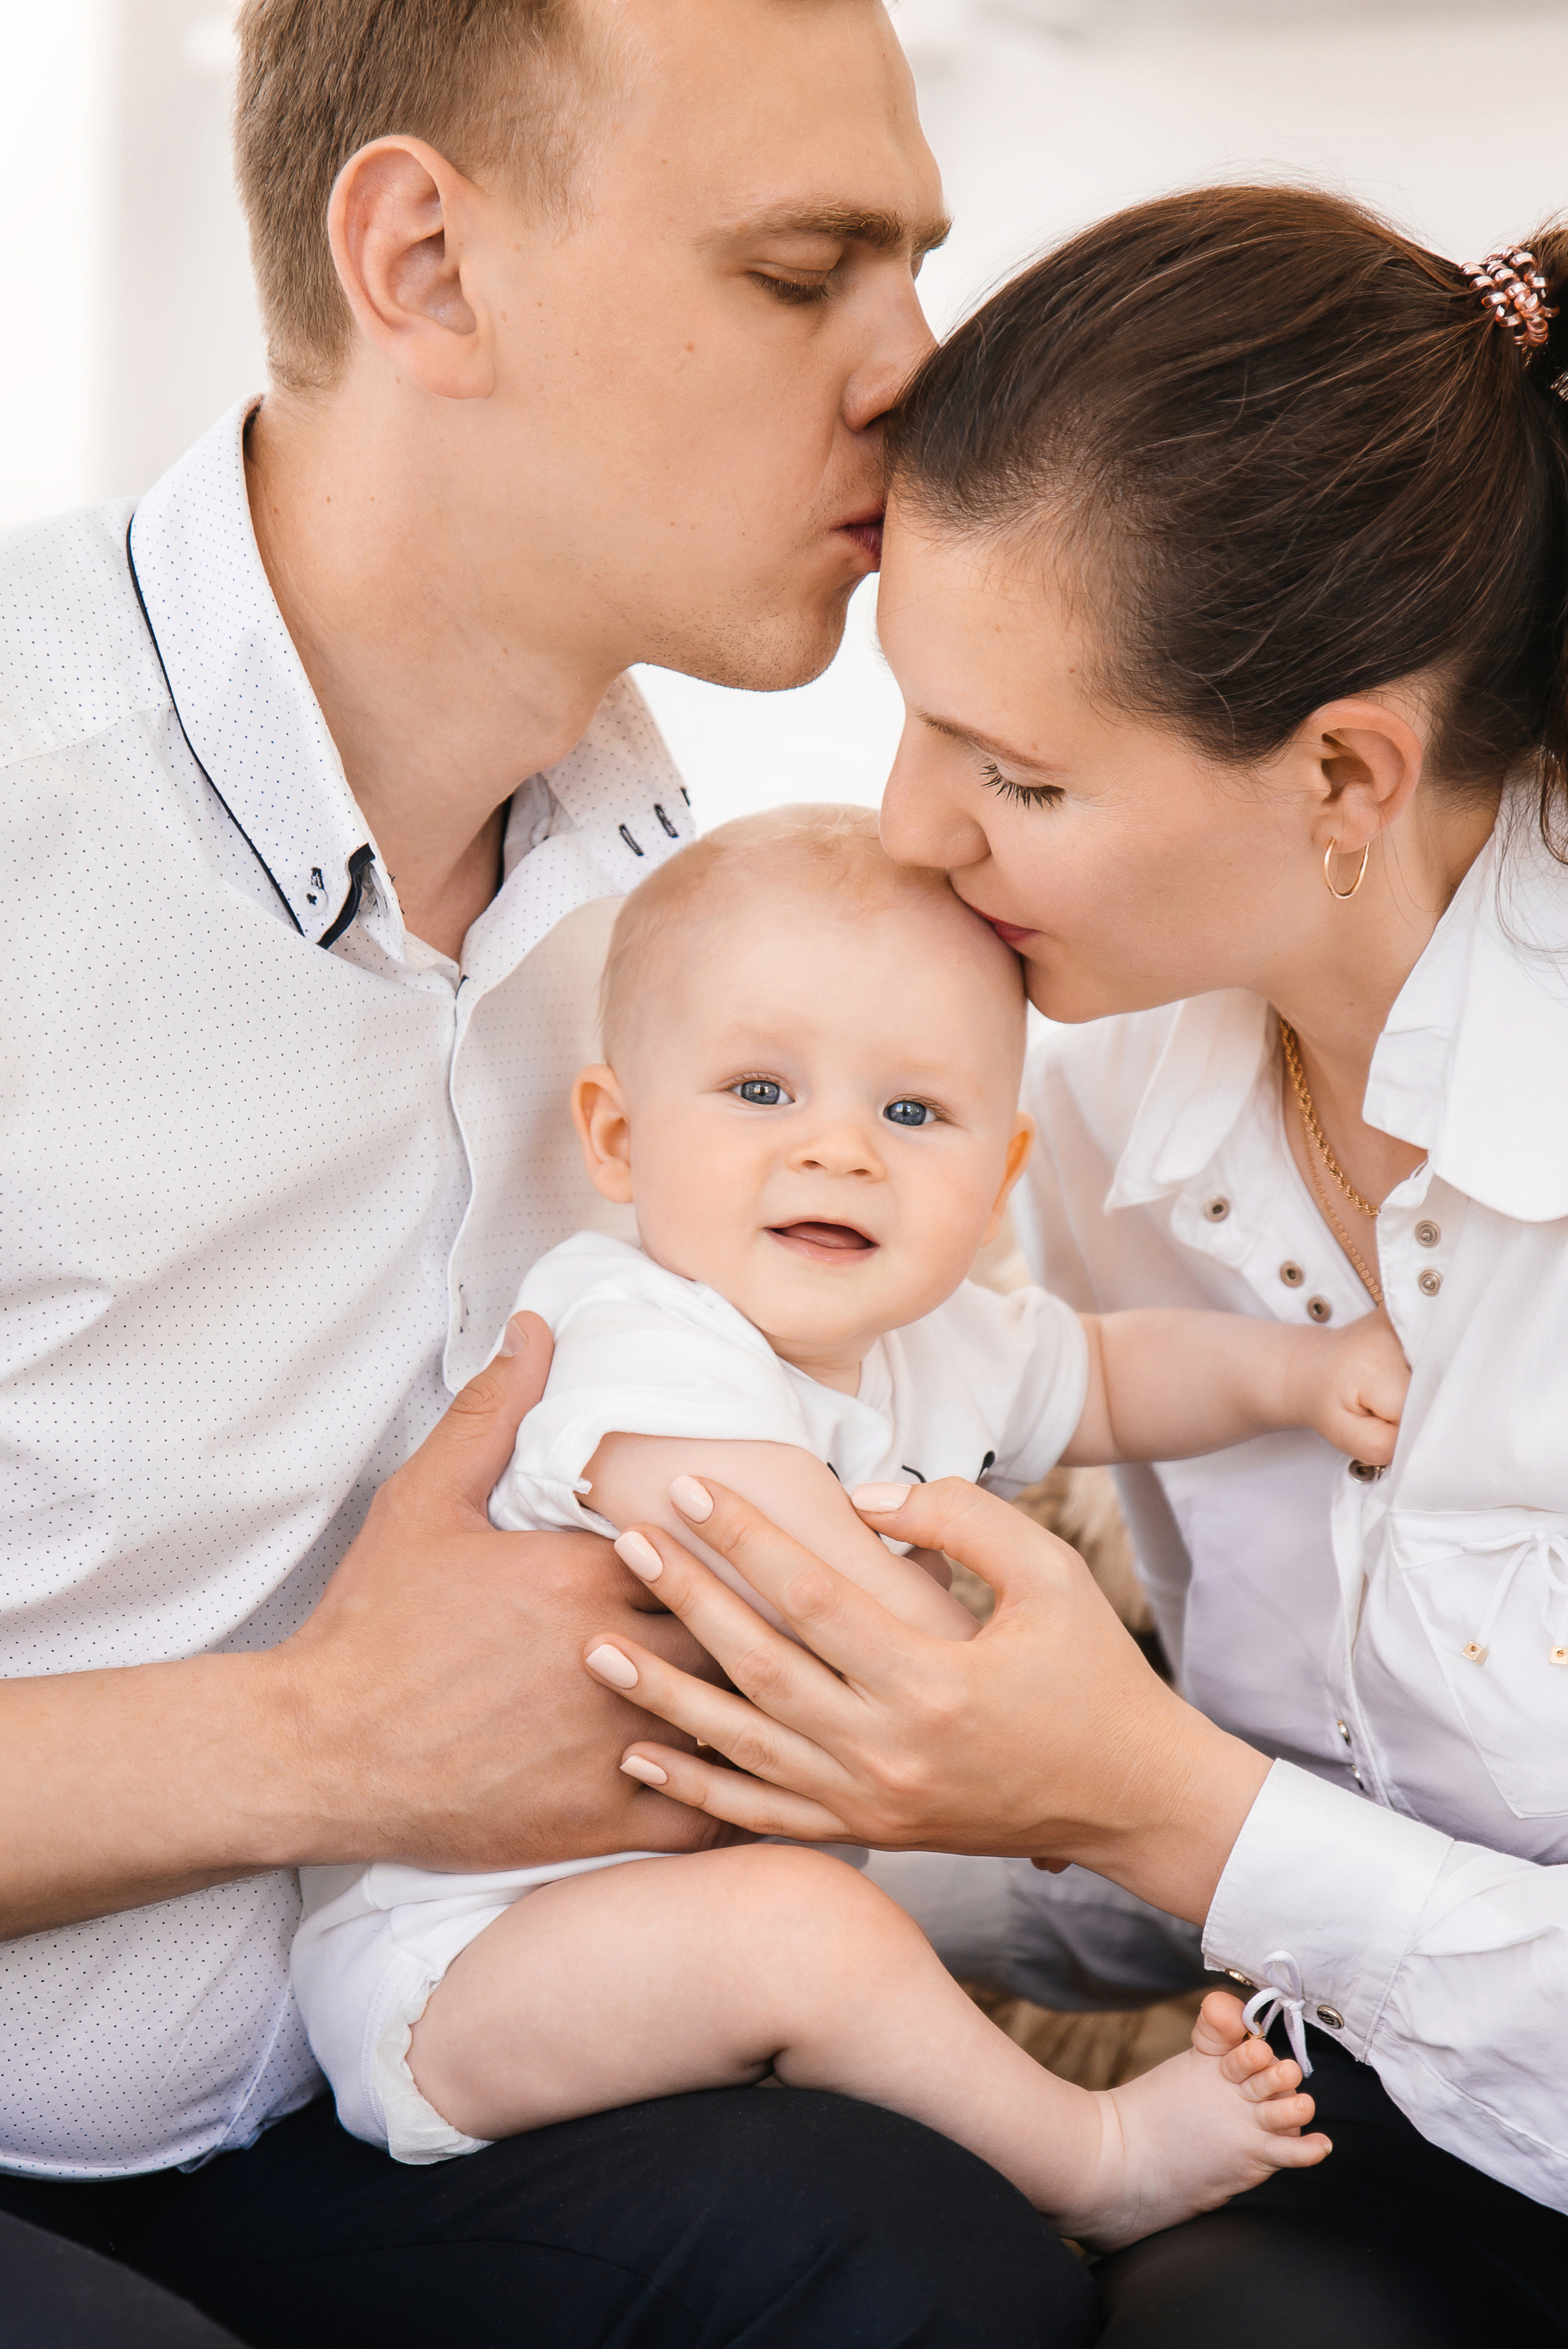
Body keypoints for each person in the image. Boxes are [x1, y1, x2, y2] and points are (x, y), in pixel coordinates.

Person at [0, 1, 1104, 2341]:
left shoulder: (701, 947)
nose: (920, 369)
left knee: (931, 2271)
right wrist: (307, 1739)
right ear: (425, 265)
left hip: (371, 2085)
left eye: (919, 265)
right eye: (810, 273)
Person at [578, 188, 1568, 2345]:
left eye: (1018, 771)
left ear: (1341, 774)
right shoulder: (1106, 1083)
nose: (915, 829)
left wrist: (1154, 1802)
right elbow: (1189, 1825)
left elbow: (1184, 1813)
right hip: (1363, 2132)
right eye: (919, 715)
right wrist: (716, 1805)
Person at [290, 803, 1414, 2231]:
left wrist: (1297, 1371)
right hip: (464, 1963)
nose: (838, 1152)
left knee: (819, 1932)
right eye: (760, 1091)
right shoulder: (634, 1323)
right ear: (619, 1137)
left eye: (910, 1112)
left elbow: (1114, 1371)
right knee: (812, 1932)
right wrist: (1038, 1745)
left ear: (994, 1176)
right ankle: (1094, 2161)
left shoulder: (939, 1340)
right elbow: (765, 1559)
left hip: (669, 1948)